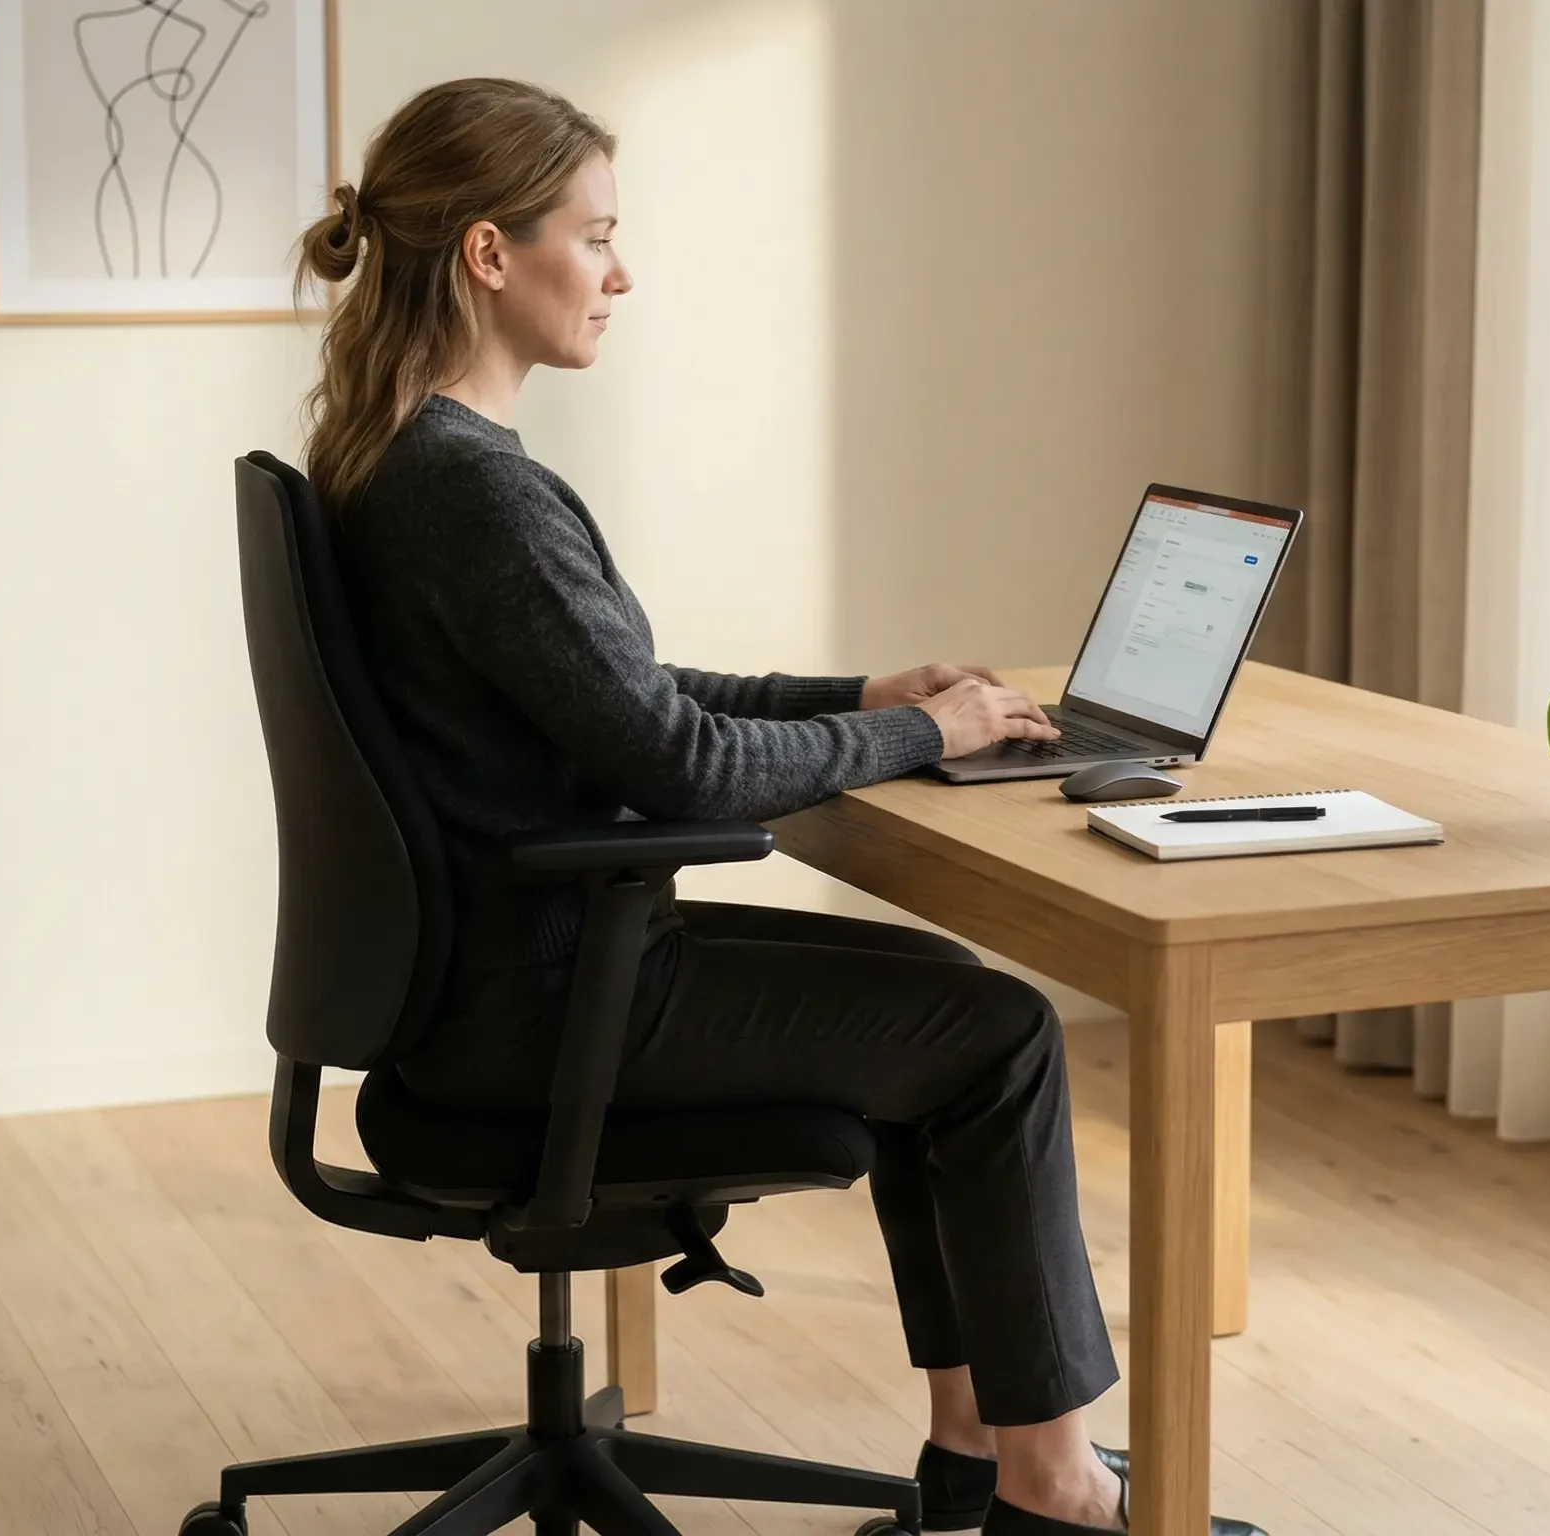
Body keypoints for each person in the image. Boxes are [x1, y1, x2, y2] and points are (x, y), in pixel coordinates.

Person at [298, 78, 1258, 1536]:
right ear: (490, 255)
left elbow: (623, 692)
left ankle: (974, 1456)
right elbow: (675, 763)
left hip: (479, 991)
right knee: (995, 1037)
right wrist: (919, 734)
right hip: (547, 1007)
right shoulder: (475, 492)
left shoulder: (403, 461)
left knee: (946, 998)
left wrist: (867, 694)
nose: (622, 274)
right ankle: (1051, 1488)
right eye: (597, 236)